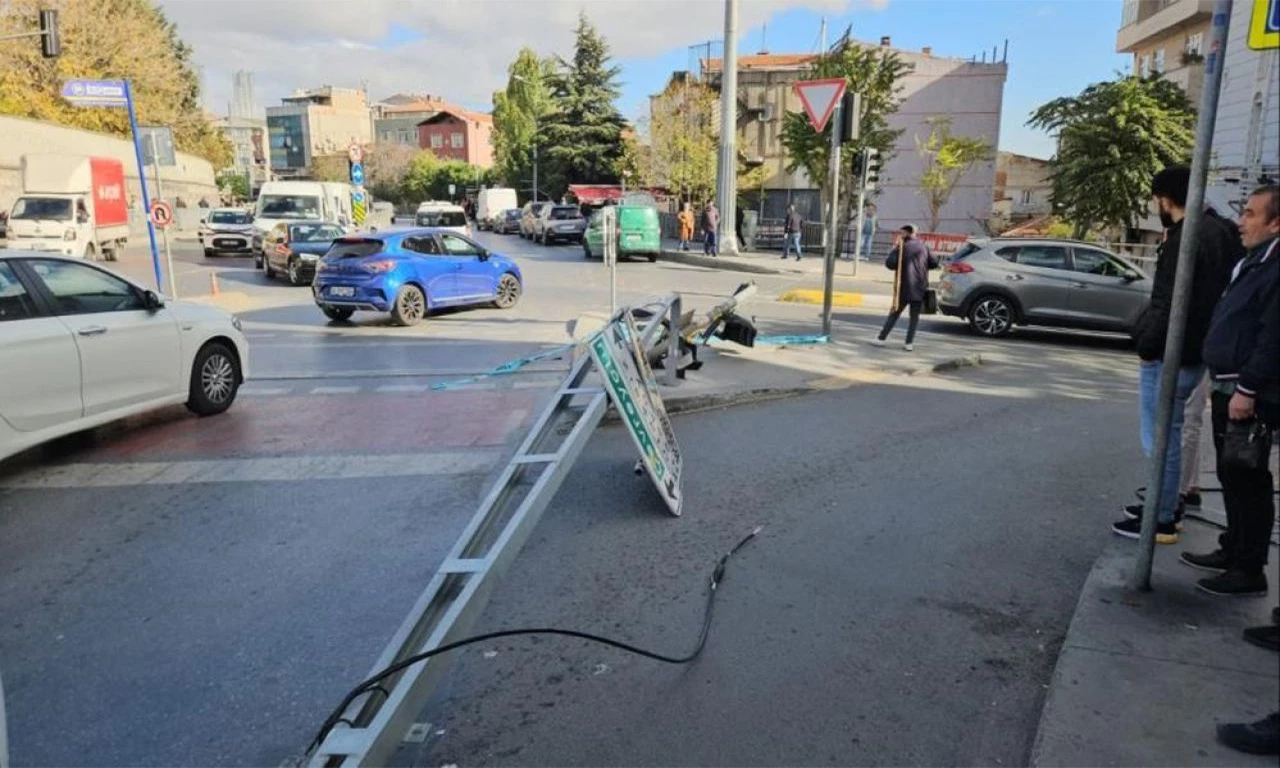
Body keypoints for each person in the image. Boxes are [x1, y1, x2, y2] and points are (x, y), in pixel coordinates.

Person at [1113, 167, 1242, 545]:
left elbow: (1166, 302)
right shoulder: (1220, 232)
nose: (1157, 206)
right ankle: (1165, 505)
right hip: (1199, 349)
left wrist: (1146, 347)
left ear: (1165, 198)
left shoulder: (1185, 240)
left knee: (1160, 438)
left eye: (1157, 199)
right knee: (1169, 432)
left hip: (1173, 352)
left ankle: (1162, 518)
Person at [1181, 185, 1278, 596]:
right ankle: (1233, 548)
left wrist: (1249, 388)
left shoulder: (1276, 266)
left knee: (1247, 479)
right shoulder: (1256, 260)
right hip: (1228, 386)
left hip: (1247, 392)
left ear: (1276, 223)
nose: (1242, 222)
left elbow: (1273, 335)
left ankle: (1248, 568)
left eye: (1252, 214)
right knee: (1229, 473)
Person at [871, 224, 937, 351]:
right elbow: (934, 263)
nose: (901, 234)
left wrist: (896, 250)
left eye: (902, 232)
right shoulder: (924, 246)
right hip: (919, 287)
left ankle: (881, 339)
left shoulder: (901, 247)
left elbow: (890, 264)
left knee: (894, 313)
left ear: (907, 233)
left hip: (904, 287)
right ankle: (909, 343)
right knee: (914, 317)